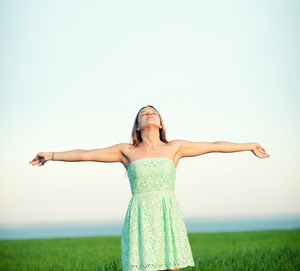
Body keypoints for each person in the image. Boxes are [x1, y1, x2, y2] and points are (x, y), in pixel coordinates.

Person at [29, 105, 270, 271]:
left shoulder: (175, 147)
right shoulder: (127, 150)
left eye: (153, 112)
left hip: (168, 214)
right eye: (144, 113)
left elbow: (214, 145)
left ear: (161, 123)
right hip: (140, 216)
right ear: (137, 126)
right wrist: (50, 155)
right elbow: (85, 154)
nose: (149, 114)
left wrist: (249, 145)